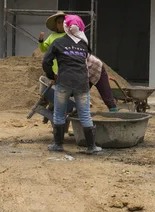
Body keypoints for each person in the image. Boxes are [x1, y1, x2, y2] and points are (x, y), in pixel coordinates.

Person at [42, 15, 102, 154]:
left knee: (59, 113)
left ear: (65, 27)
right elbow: (89, 62)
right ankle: (91, 147)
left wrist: (51, 75)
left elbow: (46, 62)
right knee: (85, 114)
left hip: (64, 82)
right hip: (82, 83)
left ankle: (58, 145)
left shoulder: (58, 42)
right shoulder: (83, 44)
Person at [39, 12, 118, 112]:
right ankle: (61, 107)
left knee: (100, 93)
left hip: (91, 67)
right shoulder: (58, 38)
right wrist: (53, 75)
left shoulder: (70, 39)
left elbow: (49, 61)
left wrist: (52, 75)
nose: (61, 24)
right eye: (58, 22)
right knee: (75, 92)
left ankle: (113, 112)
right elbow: (48, 57)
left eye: (63, 22)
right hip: (76, 68)